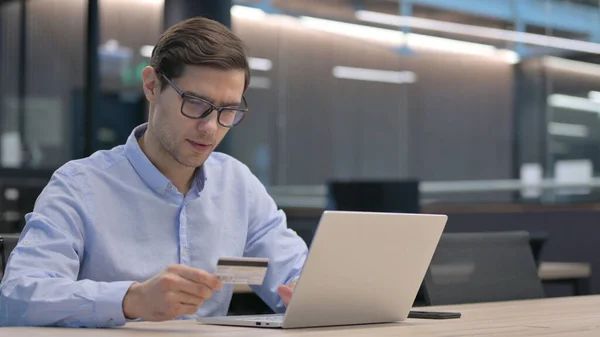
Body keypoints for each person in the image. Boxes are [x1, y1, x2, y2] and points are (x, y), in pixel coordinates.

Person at [0, 17, 308, 327]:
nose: (210, 127)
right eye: (196, 103)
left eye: (228, 110)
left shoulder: (237, 184)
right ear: (152, 86)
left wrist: (306, 289)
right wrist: (131, 300)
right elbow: (17, 296)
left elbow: (296, 270)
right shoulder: (79, 186)